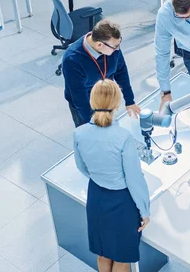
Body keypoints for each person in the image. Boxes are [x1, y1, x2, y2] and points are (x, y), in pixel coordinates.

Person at [73, 79, 150, 272]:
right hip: (122, 202)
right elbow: (134, 180)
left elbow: (82, 167)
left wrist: (101, 176)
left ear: (92, 102)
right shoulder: (123, 137)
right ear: (116, 104)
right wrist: (145, 211)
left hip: (96, 197)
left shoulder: (79, 133)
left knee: (103, 253)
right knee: (122, 258)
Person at [62, 20, 140, 127]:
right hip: (85, 103)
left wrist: (129, 100)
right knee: (89, 137)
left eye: (119, 44)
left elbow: (121, 72)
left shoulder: (111, 47)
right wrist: (93, 125)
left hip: (106, 97)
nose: (118, 49)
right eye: (115, 46)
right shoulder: (72, 60)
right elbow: (80, 99)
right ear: (99, 45)